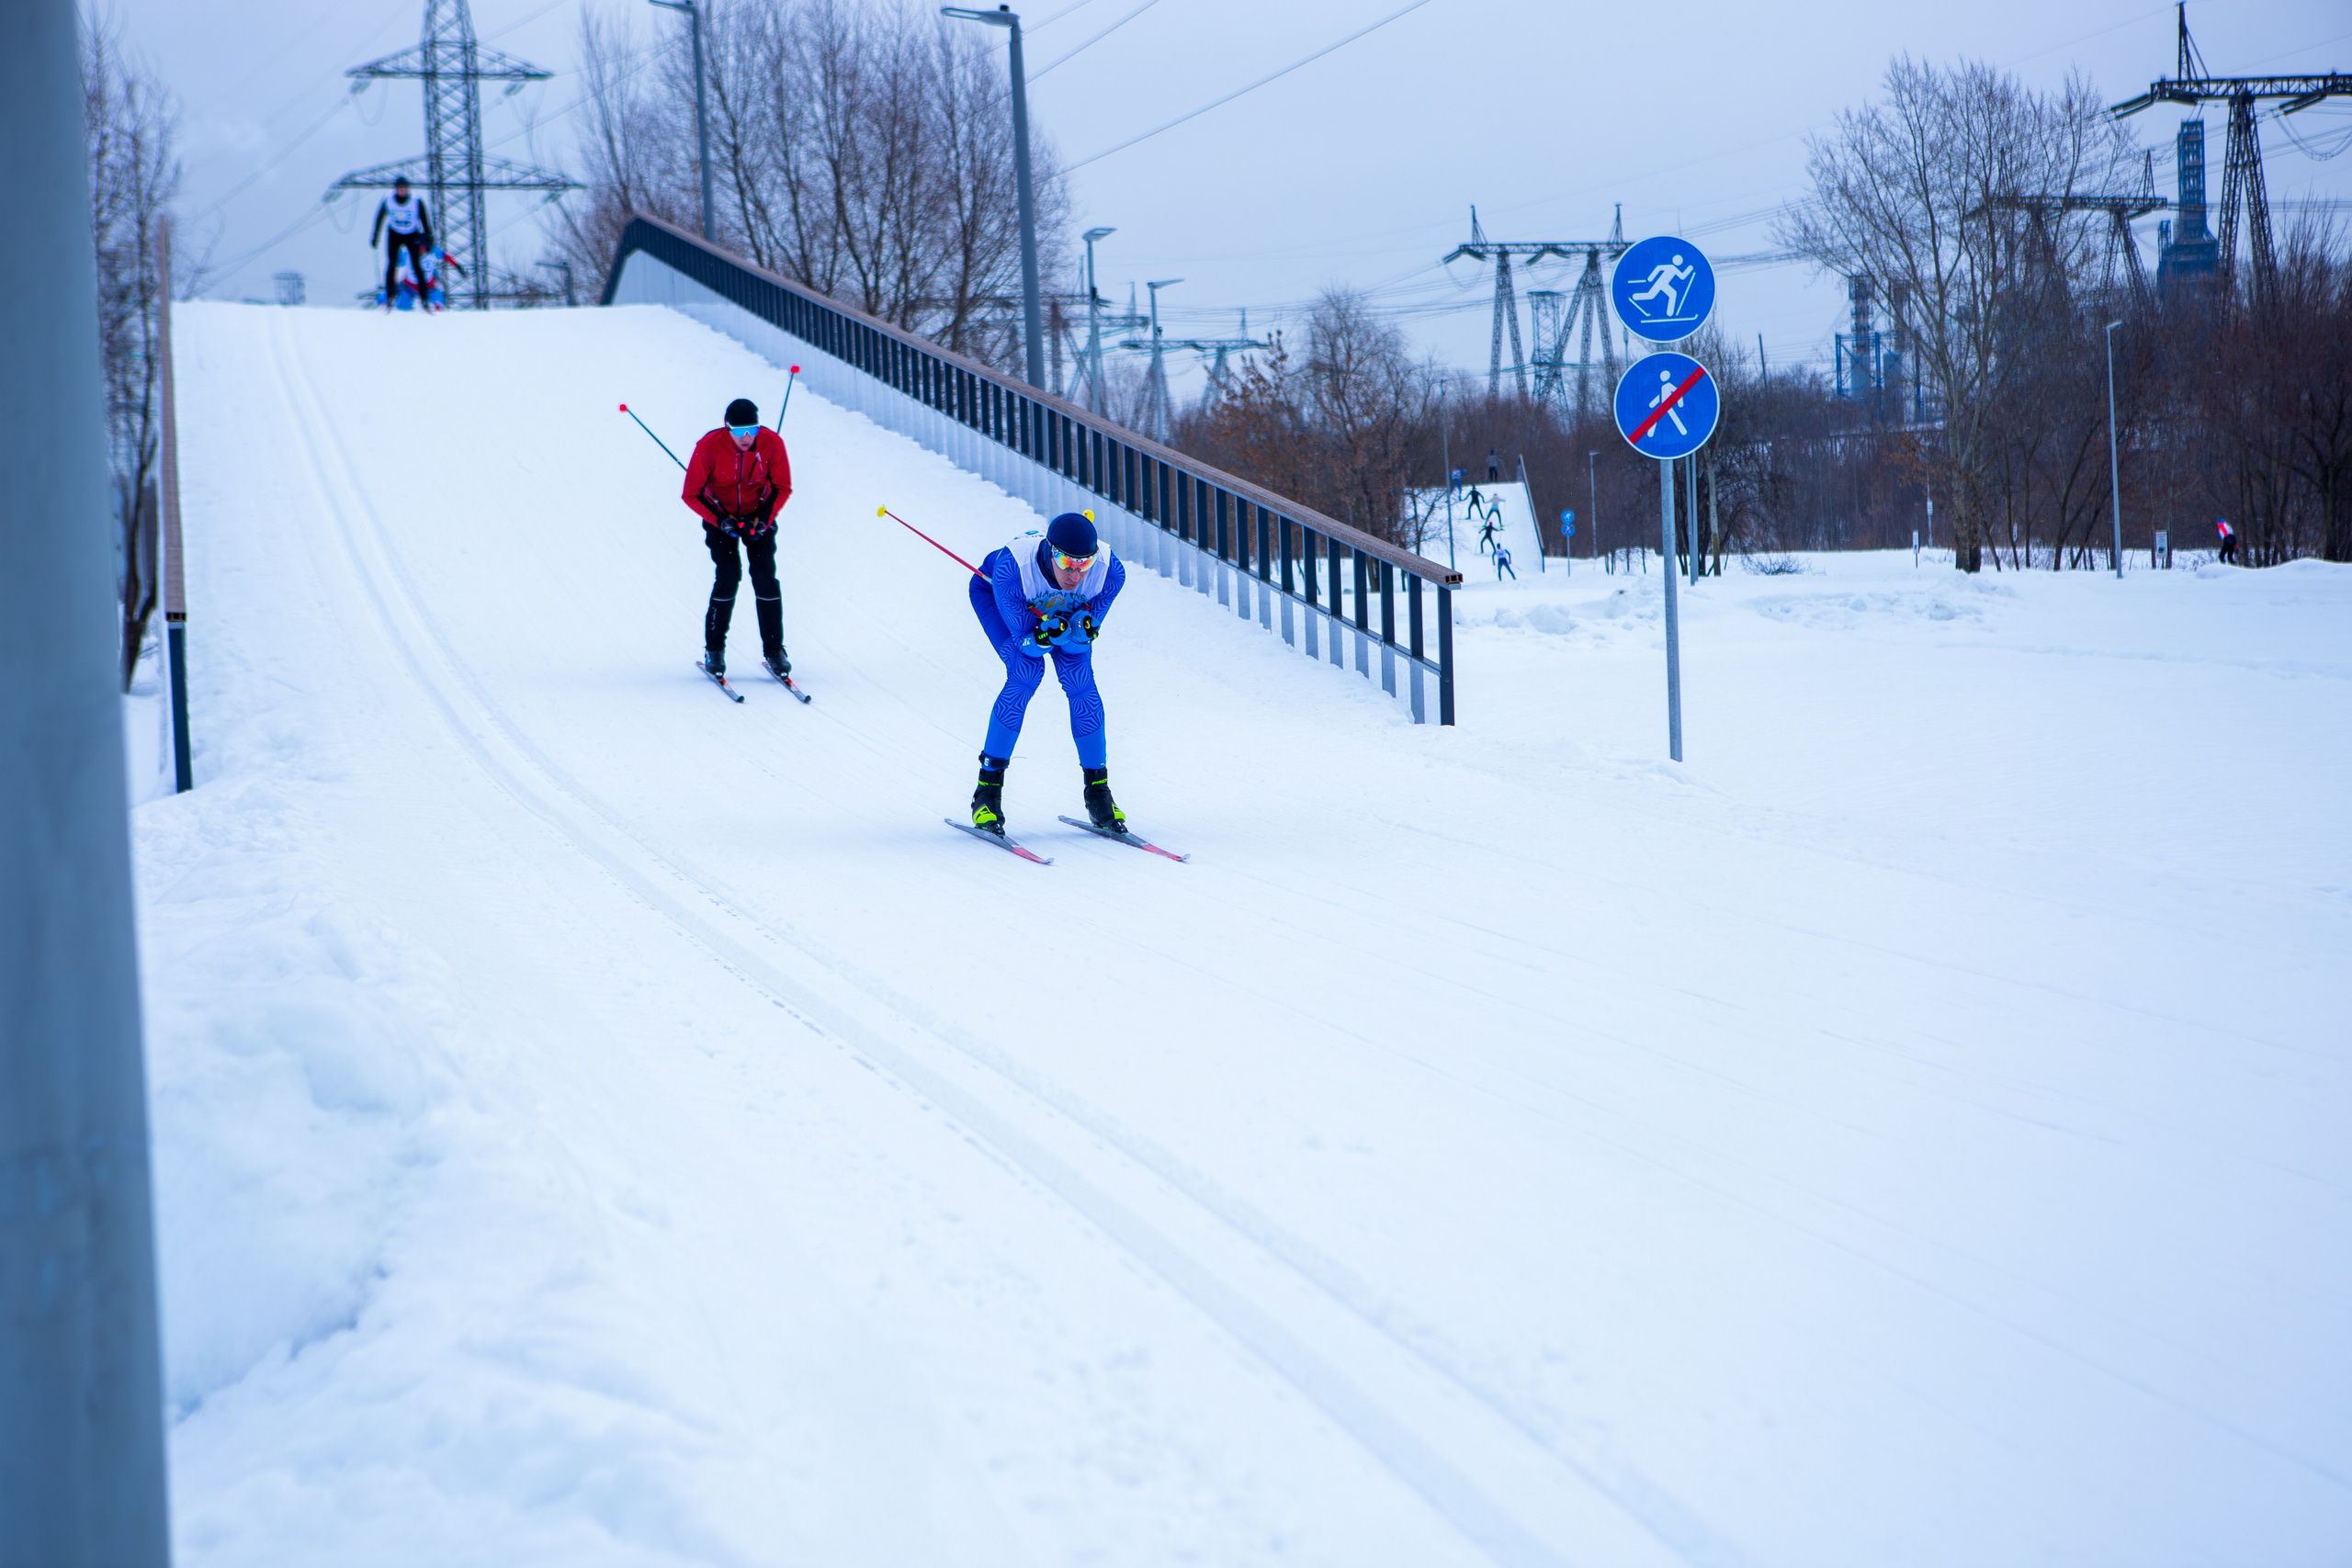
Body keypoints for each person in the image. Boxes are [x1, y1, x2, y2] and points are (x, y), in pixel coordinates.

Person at [968, 512, 1128, 838]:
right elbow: (1026, 644)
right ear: (1050, 551)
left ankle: (1098, 793)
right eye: (1067, 562)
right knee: (1026, 673)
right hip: (998, 597)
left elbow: (1081, 638)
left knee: (1081, 683)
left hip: (1058, 612)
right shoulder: (1014, 569)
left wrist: (1080, 630)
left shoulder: (1111, 572)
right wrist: (1041, 637)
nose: (1075, 573)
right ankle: (987, 793)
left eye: (1084, 564)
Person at [682, 397, 793, 679]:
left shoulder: (772, 443)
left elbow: (782, 486)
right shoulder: (708, 447)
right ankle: (714, 650)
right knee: (729, 575)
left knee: (765, 576)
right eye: (740, 432)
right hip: (721, 519)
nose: (746, 438)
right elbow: (691, 494)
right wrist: (720, 520)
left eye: (752, 431)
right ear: (727, 427)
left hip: (758, 516)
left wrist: (764, 519)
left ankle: (775, 651)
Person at [370, 178, 433, 316]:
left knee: (417, 266)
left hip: (412, 235)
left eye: (405, 189)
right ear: (396, 190)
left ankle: (424, 299)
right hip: (395, 234)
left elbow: (425, 219)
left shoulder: (416, 201)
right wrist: (376, 236)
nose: (402, 191)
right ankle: (390, 297)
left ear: (408, 189)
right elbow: (379, 218)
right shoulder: (388, 201)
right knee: (392, 265)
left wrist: (428, 238)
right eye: (400, 189)